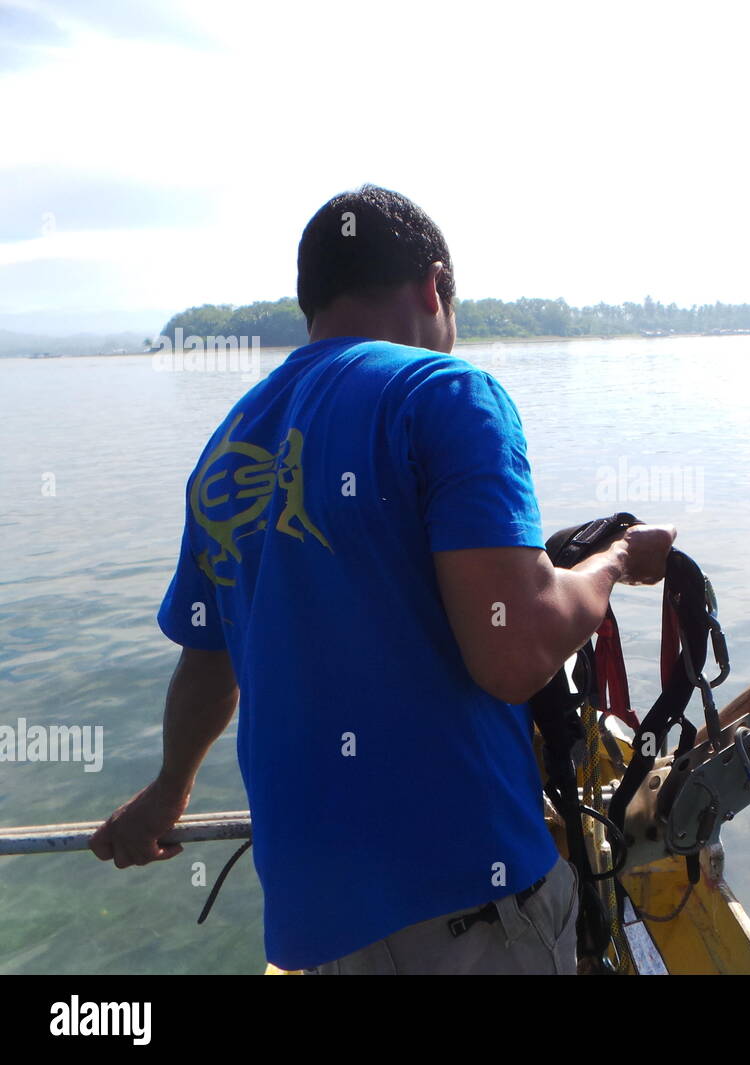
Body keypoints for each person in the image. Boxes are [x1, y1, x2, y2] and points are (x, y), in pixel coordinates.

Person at [88, 184, 675, 974]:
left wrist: (168, 787)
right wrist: (613, 561)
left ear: (312, 303)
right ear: (435, 287)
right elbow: (513, 648)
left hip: (319, 926)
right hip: (470, 896)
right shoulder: (445, 392)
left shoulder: (226, 449)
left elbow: (210, 659)